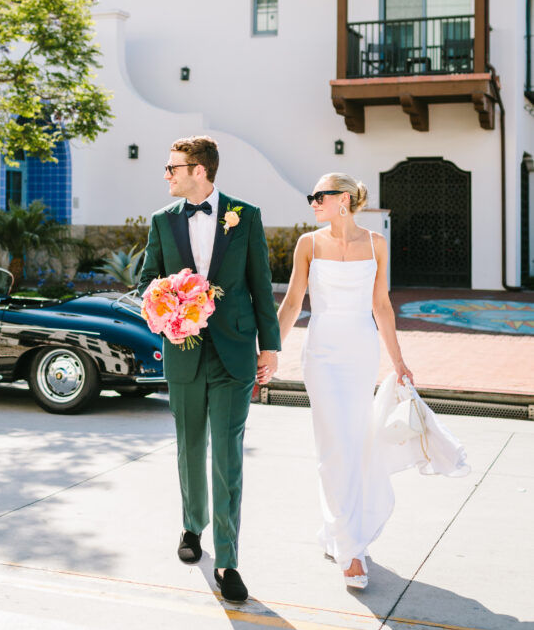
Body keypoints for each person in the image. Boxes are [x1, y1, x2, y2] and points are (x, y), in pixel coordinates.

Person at [139, 136, 280, 602]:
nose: (167, 175)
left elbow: (260, 284)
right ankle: (191, 526)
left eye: (173, 167)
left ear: (199, 170)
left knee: (227, 456)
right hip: (184, 351)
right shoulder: (162, 221)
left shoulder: (246, 216)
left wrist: (271, 347)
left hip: (235, 353)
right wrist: (167, 307)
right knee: (189, 447)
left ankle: (227, 561)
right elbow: (147, 283)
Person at [277, 172, 413, 590]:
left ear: (345, 199)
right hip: (321, 351)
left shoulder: (376, 244)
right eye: (311, 195)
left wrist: (399, 361)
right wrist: (269, 354)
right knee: (332, 443)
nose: (312, 201)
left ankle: (336, 530)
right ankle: (350, 549)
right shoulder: (308, 244)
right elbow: (293, 301)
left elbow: (382, 307)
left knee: (353, 442)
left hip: (360, 350)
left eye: (319, 195)